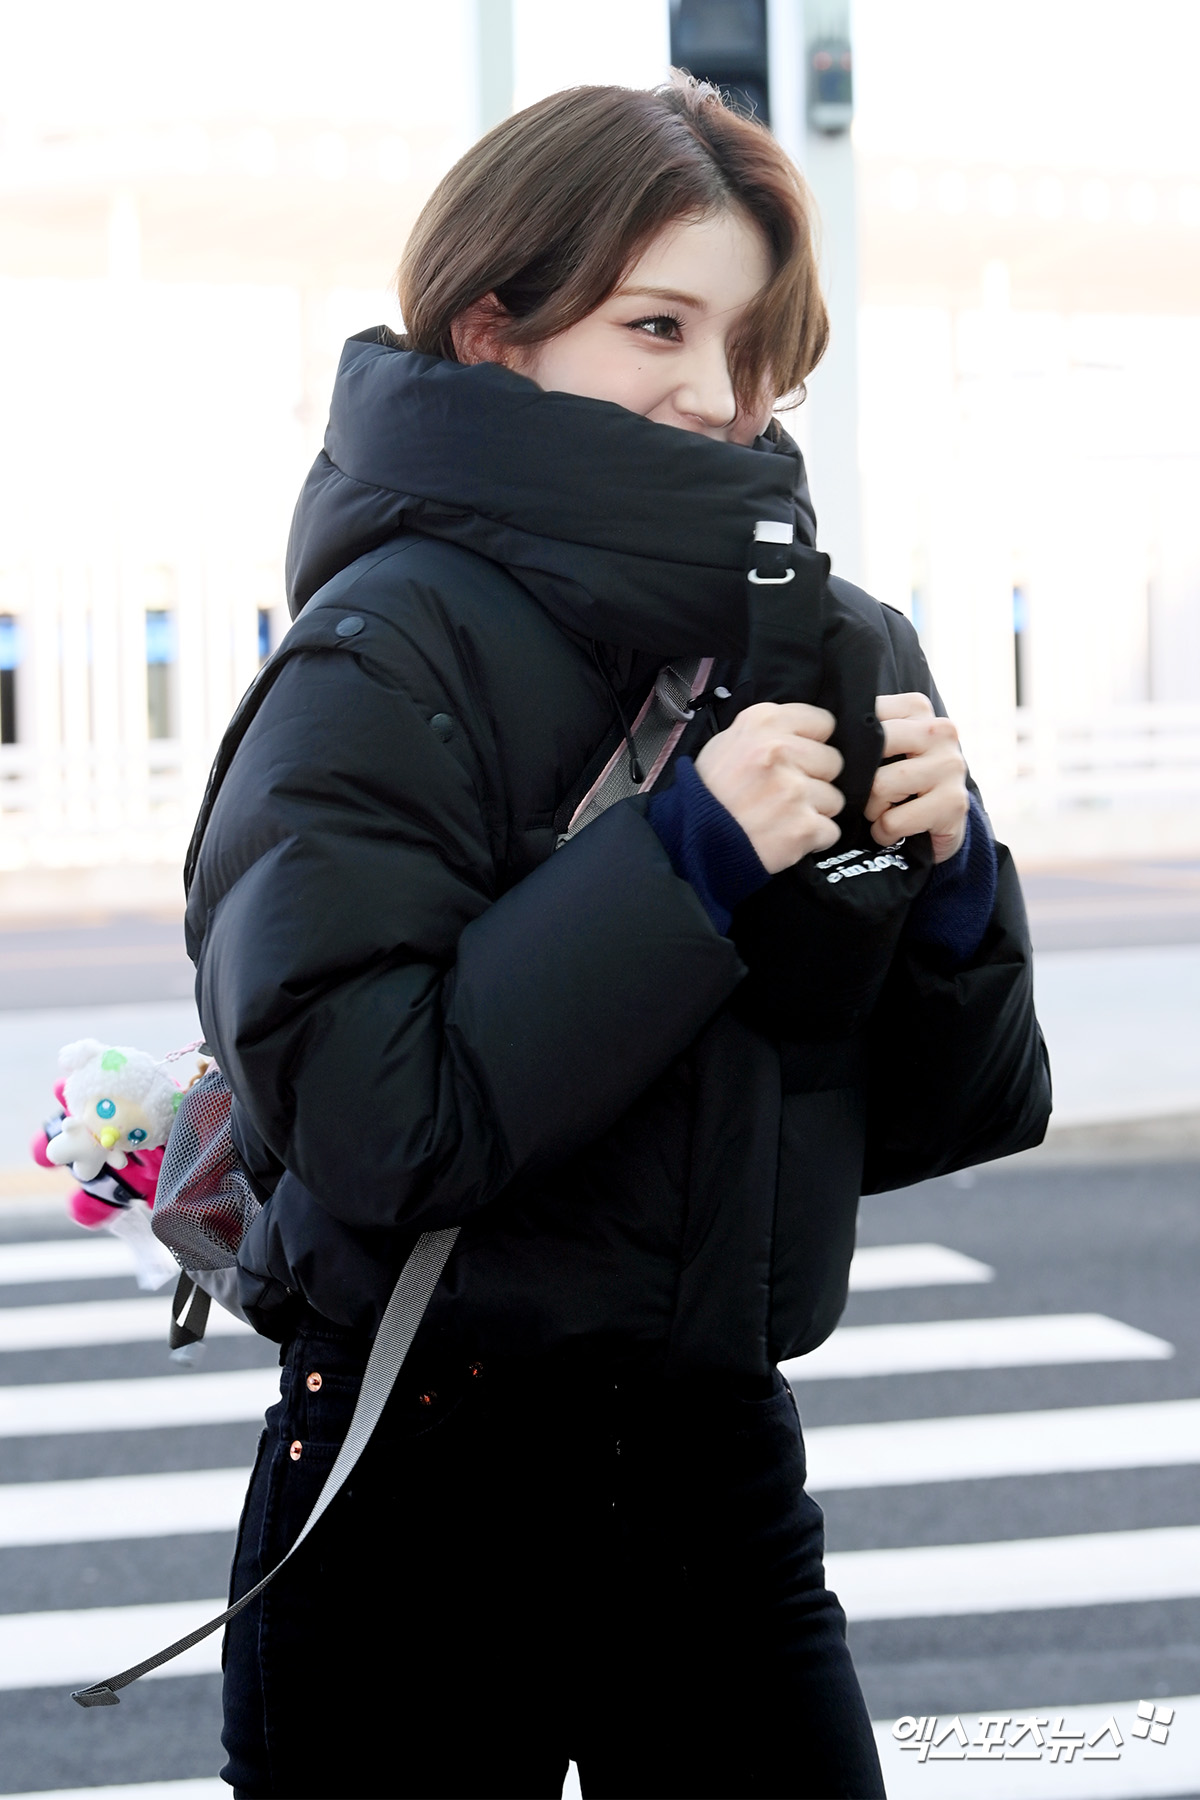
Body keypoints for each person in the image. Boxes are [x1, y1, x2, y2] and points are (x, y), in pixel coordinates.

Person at [193, 77, 1050, 1800]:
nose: (718, 396)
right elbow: (370, 1120)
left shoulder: (837, 641)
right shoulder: (383, 651)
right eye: (657, 325)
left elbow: (951, 1113)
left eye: (756, 350)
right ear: (492, 332)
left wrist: (953, 895)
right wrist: (683, 862)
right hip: (415, 1476)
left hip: (713, 1463)